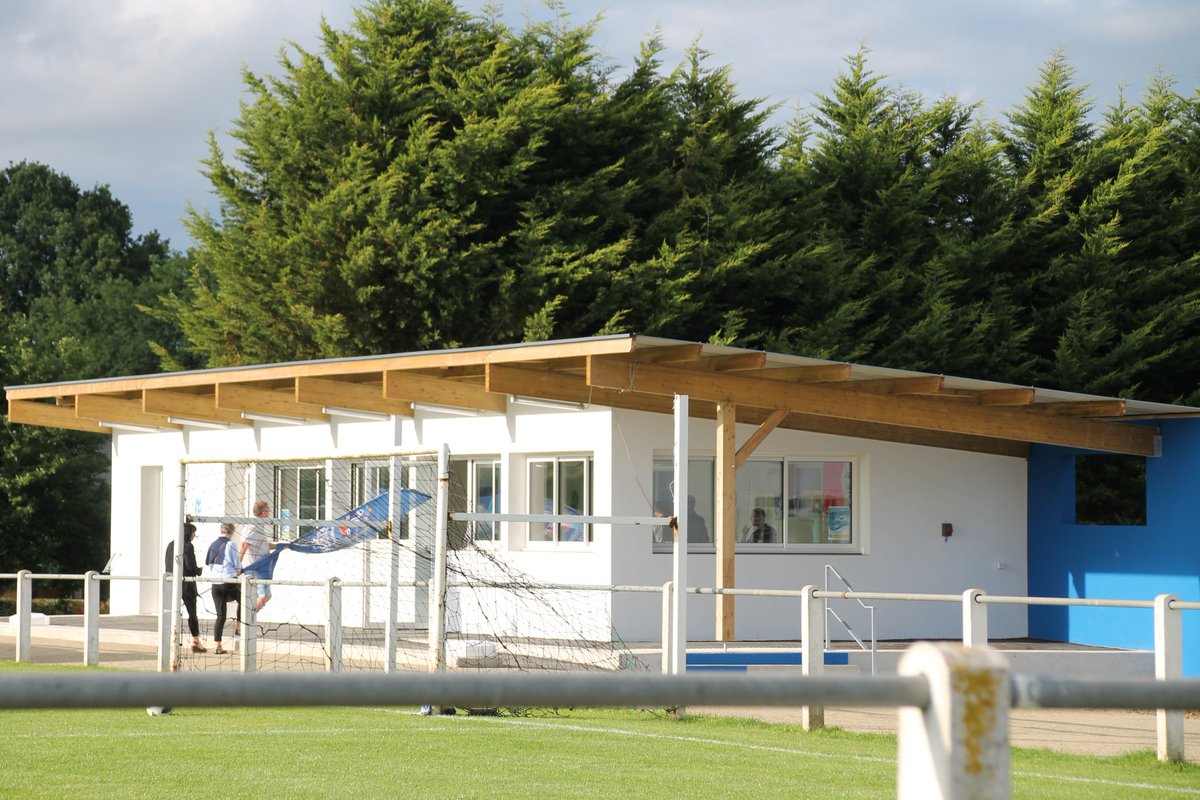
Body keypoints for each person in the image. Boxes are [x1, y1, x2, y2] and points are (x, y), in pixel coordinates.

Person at [165, 522, 206, 653]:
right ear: (189, 533)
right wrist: (199, 570)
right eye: (194, 533)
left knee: (172, 612)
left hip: (172, 582)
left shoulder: (171, 545)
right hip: (187, 585)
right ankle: (195, 641)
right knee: (192, 613)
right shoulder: (188, 546)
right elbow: (190, 566)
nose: (194, 536)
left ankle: (170, 640)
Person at [207, 522, 241, 655]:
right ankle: (238, 627)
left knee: (220, 616)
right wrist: (238, 571)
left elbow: (209, 564)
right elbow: (237, 565)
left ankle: (218, 645)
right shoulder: (231, 544)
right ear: (232, 532)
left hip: (216, 584)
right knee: (244, 600)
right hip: (229, 581)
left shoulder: (213, 544)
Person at [238, 499, 276, 612]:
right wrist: (237, 565)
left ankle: (246, 624)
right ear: (263, 513)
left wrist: (281, 546)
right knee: (265, 595)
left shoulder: (258, 526)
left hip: (259, 568)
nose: (269, 514)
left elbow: (264, 545)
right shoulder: (254, 526)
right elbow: (244, 544)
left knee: (257, 597)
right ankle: (248, 619)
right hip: (255, 568)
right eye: (268, 511)